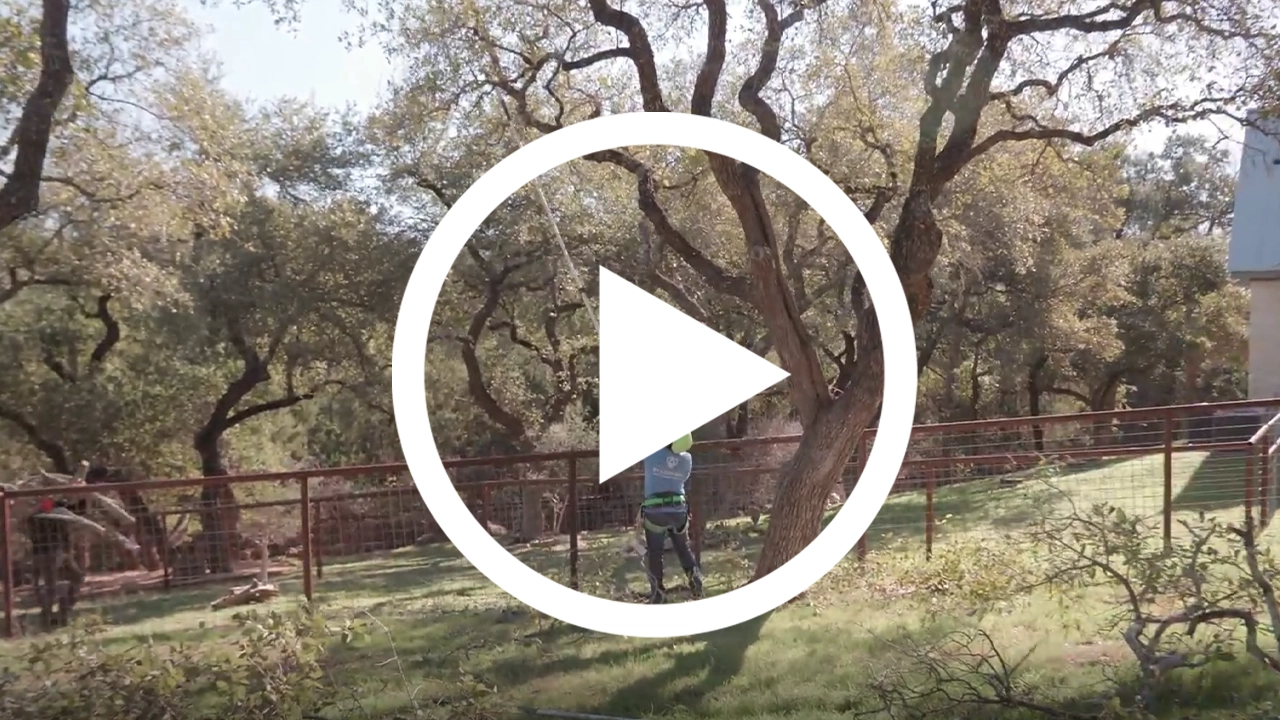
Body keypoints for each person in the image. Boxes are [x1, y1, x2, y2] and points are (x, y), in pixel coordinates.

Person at [640, 432, 704, 604]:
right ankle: (697, 586)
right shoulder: (687, 460)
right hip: (678, 509)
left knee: (655, 553)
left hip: (655, 510)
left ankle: (658, 594)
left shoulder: (652, 453)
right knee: (683, 550)